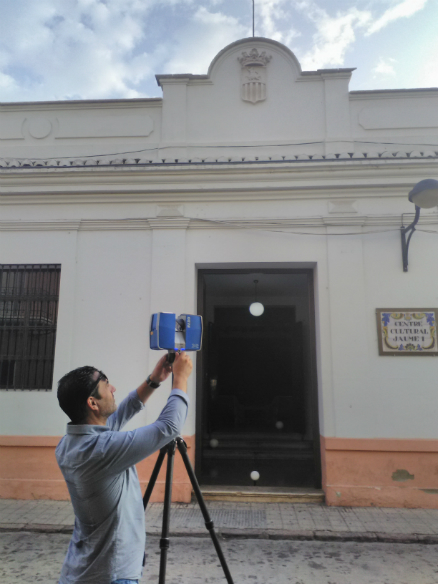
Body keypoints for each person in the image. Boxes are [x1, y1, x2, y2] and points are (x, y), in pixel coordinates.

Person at [55, 352, 192, 584]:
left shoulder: (69, 444)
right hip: (111, 575)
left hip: (80, 572)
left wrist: (154, 380)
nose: (114, 389)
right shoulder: (101, 449)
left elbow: (121, 413)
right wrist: (180, 379)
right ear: (92, 403)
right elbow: (168, 427)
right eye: (107, 385)